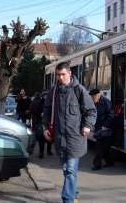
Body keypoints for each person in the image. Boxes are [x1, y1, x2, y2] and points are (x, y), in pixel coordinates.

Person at [42, 62, 96, 203]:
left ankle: (68, 199)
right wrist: (44, 128)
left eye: (63, 74)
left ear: (70, 73)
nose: (60, 77)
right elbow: (46, 111)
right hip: (59, 139)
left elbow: (91, 111)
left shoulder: (79, 90)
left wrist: (88, 125)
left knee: (70, 169)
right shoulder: (53, 92)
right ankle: (74, 192)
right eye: (58, 75)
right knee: (67, 170)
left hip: (75, 139)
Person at [89, 88, 115, 171]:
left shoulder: (106, 102)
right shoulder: (95, 102)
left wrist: (105, 125)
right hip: (98, 127)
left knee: (99, 147)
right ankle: (110, 162)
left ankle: (97, 165)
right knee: (105, 147)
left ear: (98, 95)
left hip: (104, 128)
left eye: (93, 97)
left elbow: (110, 115)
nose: (92, 99)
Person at [29, 92, 52, 159]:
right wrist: (40, 114)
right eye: (45, 96)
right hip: (41, 122)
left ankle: (49, 150)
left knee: (49, 136)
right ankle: (41, 152)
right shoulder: (40, 103)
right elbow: (36, 112)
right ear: (43, 96)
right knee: (41, 138)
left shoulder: (51, 103)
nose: (46, 97)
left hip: (49, 122)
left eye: (47, 96)